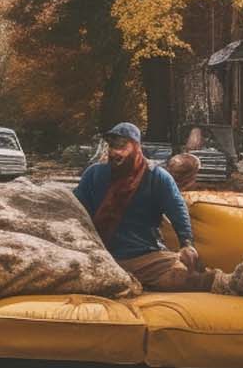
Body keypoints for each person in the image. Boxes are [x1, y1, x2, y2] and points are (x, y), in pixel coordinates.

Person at [74, 122, 217, 291]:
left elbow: (177, 210)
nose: (114, 152)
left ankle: (221, 282)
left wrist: (186, 243)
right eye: (112, 146)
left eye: (121, 146)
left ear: (136, 147)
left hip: (146, 257)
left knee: (181, 278)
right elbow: (76, 209)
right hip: (101, 255)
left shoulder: (156, 176)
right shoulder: (94, 174)